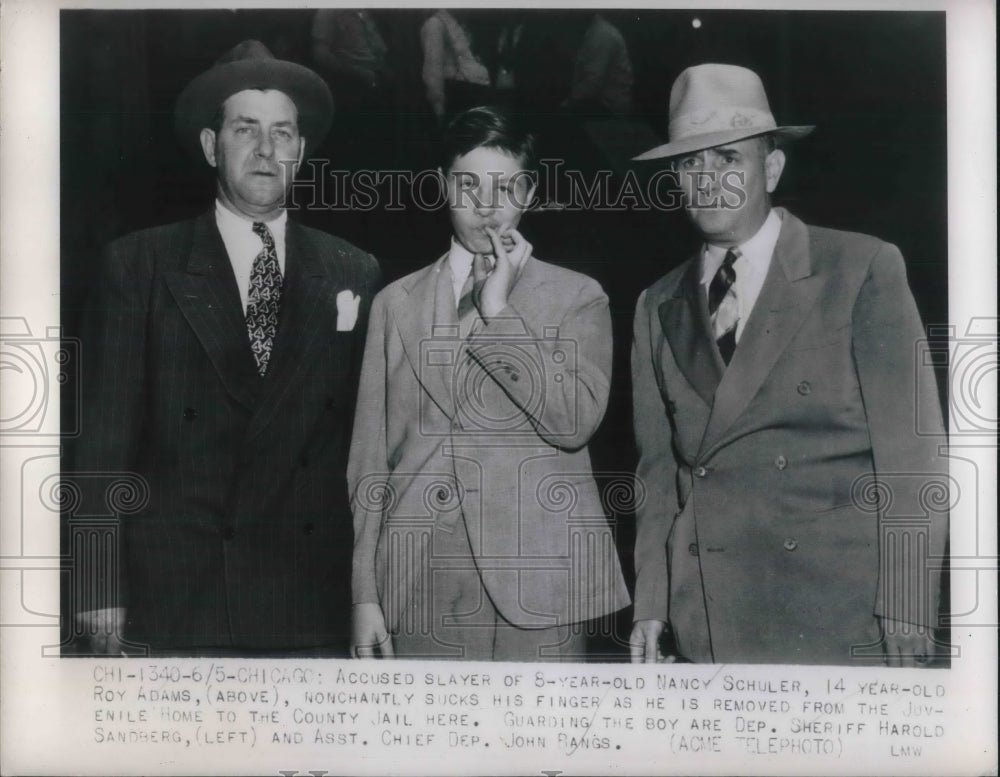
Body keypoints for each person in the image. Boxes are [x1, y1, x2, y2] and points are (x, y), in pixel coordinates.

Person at [67, 40, 380, 656]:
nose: (266, 150)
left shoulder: (354, 270)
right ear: (212, 146)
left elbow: (365, 448)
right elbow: (102, 440)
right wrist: (97, 585)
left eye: (283, 133)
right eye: (246, 130)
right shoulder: (139, 265)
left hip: (305, 595)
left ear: (301, 152)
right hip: (177, 592)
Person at [628, 64, 948, 666]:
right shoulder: (654, 304)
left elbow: (915, 458)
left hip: (835, 612)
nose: (708, 181)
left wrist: (907, 603)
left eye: (727, 159)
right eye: (690, 164)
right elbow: (655, 476)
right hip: (708, 620)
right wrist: (651, 603)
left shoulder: (860, 269)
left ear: (771, 168)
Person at [348, 106, 629, 661]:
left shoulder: (578, 297)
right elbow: (369, 463)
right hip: (418, 579)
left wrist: (498, 312)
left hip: (541, 582)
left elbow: (573, 424)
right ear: (440, 188)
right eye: (467, 184)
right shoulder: (392, 304)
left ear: (527, 193)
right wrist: (364, 593)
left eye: (504, 187)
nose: (485, 205)